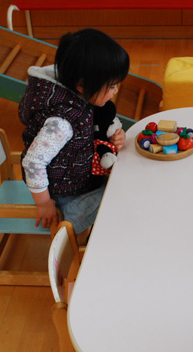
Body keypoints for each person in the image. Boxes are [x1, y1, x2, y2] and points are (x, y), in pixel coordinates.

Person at [19, 28, 129, 235]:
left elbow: (97, 124)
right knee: (121, 197)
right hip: (64, 198)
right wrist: (44, 203)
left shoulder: (77, 92)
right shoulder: (62, 121)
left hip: (80, 179)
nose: (115, 91)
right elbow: (33, 163)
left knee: (124, 182)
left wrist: (115, 135)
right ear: (82, 85)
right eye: (112, 86)